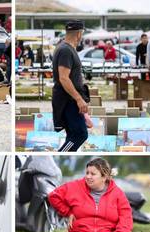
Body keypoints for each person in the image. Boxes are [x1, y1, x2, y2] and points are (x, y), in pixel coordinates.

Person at [51, 20, 88, 152]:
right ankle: (61, 154)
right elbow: (63, 78)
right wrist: (78, 99)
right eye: (82, 34)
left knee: (74, 135)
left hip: (70, 99)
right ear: (79, 34)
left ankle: (62, 154)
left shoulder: (66, 48)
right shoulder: (65, 50)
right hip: (68, 100)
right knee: (79, 134)